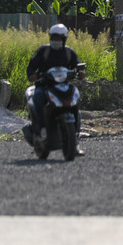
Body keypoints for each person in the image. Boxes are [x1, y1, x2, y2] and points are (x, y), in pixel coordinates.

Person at [25, 23, 84, 153]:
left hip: (63, 86)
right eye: (53, 38)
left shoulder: (69, 53)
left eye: (58, 39)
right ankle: (41, 130)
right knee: (38, 97)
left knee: (75, 99)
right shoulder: (43, 51)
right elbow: (31, 68)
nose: (55, 41)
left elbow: (78, 65)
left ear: (64, 39)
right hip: (45, 86)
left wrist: (80, 72)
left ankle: (75, 139)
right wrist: (33, 75)